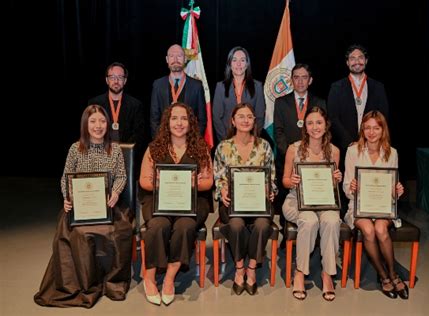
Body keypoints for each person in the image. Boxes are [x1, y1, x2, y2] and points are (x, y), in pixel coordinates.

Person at [34, 105, 133, 308]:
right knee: (77, 233)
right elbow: (65, 178)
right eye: (93, 121)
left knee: (117, 232)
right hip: (80, 208)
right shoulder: (75, 148)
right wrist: (66, 197)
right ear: (85, 125)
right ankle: (83, 283)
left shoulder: (114, 150)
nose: (98, 126)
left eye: (102, 121)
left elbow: (122, 176)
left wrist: (115, 192)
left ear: (108, 124)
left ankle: (110, 282)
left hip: (107, 206)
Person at [139, 102, 213, 306]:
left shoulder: (200, 147)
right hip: (159, 200)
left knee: (185, 226)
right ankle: (150, 277)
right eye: (174, 118)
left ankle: (170, 277)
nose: (179, 123)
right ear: (167, 122)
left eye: (184, 118)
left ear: (190, 123)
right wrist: (162, 182)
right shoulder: (154, 147)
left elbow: (208, 181)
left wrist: (192, 183)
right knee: (157, 225)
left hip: (193, 201)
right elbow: (144, 180)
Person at [343, 110, 408, 299]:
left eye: (376, 128)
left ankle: (393, 274)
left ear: (383, 130)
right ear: (362, 129)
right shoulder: (353, 151)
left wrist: (397, 191)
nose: (371, 132)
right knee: (369, 230)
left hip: (381, 207)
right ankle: (384, 276)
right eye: (367, 128)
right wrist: (352, 187)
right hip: (358, 206)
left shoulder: (392, 153)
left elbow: (392, 186)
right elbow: (346, 187)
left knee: (380, 228)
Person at [214, 103, 277, 296]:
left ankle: (251, 269)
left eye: (249, 116)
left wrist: (270, 190)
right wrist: (222, 191)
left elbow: (271, 177)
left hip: (259, 204)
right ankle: (239, 267)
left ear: (254, 121)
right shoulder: (223, 147)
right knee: (235, 225)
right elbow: (218, 178)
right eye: (240, 116)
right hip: (232, 203)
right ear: (233, 121)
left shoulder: (264, 146)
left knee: (261, 225)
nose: (245, 120)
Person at [282, 107, 342, 301]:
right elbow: (284, 180)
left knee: (332, 221)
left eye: (319, 123)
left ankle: (327, 274)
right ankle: (300, 272)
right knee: (309, 221)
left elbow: (330, 185)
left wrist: (336, 179)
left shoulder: (334, 151)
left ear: (326, 126)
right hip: (296, 200)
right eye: (310, 123)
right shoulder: (294, 148)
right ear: (305, 127)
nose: (314, 127)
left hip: (324, 202)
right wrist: (292, 181)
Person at [274, 63, 326, 247]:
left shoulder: (320, 102)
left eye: (304, 77)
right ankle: (286, 235)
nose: (300, 81)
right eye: (296, 77)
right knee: (285, 197)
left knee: (312, 199)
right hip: (288, 159)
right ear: (291, 80)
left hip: (313, 162)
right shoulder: (281, 102)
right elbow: (278, 132)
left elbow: (323, 130)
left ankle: (315, 238)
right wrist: (292, 154)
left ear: (310, 80)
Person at [327, 44, 389, 157]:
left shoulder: (378, 87)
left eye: (360, 57)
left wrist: (370, 140)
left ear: (366, 61)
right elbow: (332, 117)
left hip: (372, 145)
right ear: (347, 62)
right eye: (352, 58)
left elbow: (383, 116)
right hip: (345, 147)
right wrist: (349, 142)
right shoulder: (336, 87)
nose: (357, 61)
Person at [88, 62, 147, 178]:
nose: (116, 81)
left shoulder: (135, 105)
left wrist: (121, 152)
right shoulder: (95, 103)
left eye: (120, 77)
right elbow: (90, 131)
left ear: (125, 81)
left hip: (127, 158)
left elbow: (139, 134)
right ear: (107, 80)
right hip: (101, 156)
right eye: (112, 77)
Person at [150, 44, 207, 138]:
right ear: (167, 60)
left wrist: (193, 142)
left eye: (179, 56)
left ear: (185, 59)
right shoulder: (158, 85)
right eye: (172, 56)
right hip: (164, 142)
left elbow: (202, 120)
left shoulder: (197, 86)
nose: (175, 60)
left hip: (189, 143)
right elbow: (154, 119)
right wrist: (161, 142)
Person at [212, 46, 266, 144]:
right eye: (234, 60)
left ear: (247, 64)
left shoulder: (257, 86)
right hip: (227, 140)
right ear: (230, 64)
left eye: (242, 60)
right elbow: (216, 117)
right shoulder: (220, 87)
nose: (238, 64)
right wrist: (226, 141)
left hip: (250, 140)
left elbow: (260, 116)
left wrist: (252, 139)